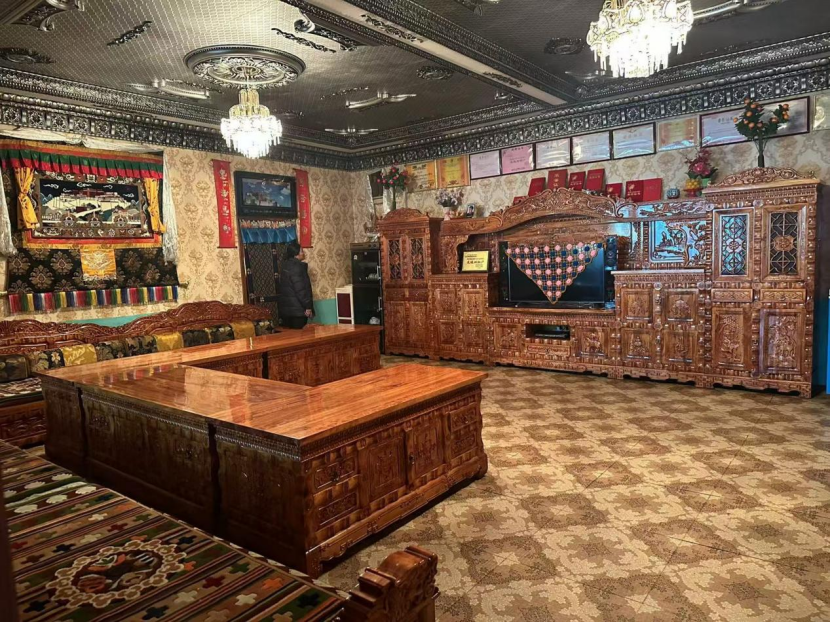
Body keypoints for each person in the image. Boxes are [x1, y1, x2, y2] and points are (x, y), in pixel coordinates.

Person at [277, 241, 314, 329]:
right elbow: (301, 290)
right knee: (301, 335)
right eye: (301, 251)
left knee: (291, 335)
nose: (303, 253)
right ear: (296, 254)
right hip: (298, 311)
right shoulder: (297, 267)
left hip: (287, 310)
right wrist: (308, 307)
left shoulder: (285, 265)